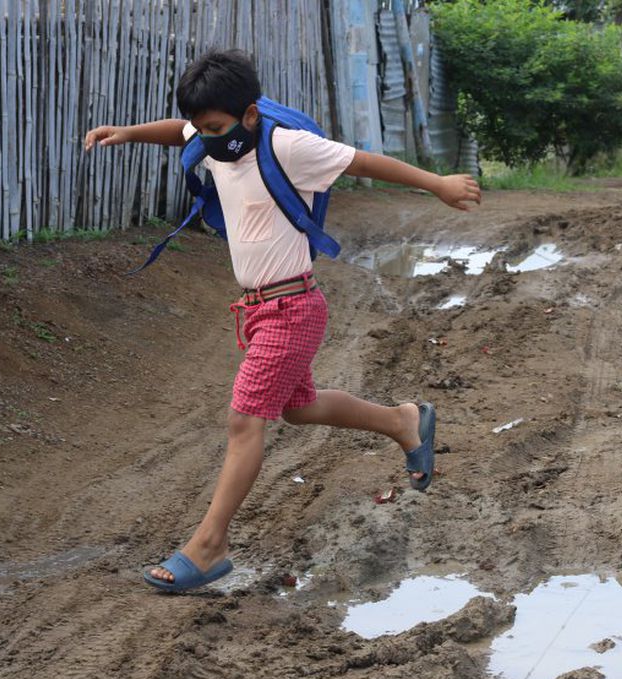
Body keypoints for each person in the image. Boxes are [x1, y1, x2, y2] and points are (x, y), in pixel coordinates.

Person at [84, 50, 481, 593]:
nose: (205, 139)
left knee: (246, 421)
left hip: (292, 307)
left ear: (249, 114)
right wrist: (127, 133)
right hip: (262, 309)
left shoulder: (287, 146)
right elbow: (177, 132)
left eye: (215, 129)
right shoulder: (214, 137)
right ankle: (401, 421)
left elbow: (363, 162)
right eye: (201, 130)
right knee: (298, 408)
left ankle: (209, 546)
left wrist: (435, 183)